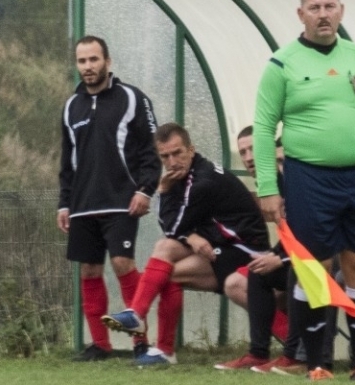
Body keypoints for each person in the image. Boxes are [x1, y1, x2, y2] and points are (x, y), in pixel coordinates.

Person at [251, 0, 355, 381]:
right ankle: (317, 362)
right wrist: (267, 187)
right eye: (315, 7)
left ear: (341, 10)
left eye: (329, 6)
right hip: (309, 179)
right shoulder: (282, 64)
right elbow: (264, 129)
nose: (323, 14)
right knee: (313, 269)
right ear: (301, 14)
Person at [102, 123, 271, 366]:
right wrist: (190, 236)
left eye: (177, 153)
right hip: (224, 244)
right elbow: (175, 231)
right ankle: (140, 318)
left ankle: (162, 346)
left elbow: (172, 226)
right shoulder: (189, 176)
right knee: (165, 248)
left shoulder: (201, 181)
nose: (172, 161)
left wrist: (163, 189)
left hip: (247, 251)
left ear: (191, 150)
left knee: (167, 271)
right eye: (165, 156)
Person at [58, 35, 159, 361]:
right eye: (82, 61)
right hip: (83, 204)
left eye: (93, 60)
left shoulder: (131, 98)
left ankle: (140, 343)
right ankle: (99, 346)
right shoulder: (71, 106)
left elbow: (151, 150)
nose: (88, 67)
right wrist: (64, 202)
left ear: (108, 62)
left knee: (121, 263)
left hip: (121, 200)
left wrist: (145, 189)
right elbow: (67, 160)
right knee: (89, 270)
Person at [216, 125, 301, 373]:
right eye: (242, 152)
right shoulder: (271, 182)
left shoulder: (294, 179)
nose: (248, 157)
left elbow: (311, 232)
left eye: (253, 149)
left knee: (295, 274)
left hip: (323, 257)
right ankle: (258, 353)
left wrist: (281, 260)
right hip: (295, 253)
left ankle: (295, 354)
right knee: (256, 271)